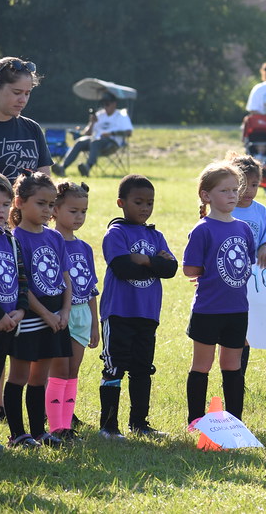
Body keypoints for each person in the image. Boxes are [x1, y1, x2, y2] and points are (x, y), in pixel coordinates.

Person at [98, 175, 177, 440]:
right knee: (114, 367)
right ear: (122, 202)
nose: (145, 208)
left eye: (150, 203)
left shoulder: (156, 235)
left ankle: (139, 424)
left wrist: (144, 260)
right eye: (139, 202)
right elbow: (121, 268)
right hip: (119, 312)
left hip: (146, 313)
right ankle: (108, 426)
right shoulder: (116, 233)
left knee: (142, 368)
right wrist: (154, 262)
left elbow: (171, 269)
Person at [183, 163, 256, 428]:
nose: (232, 195)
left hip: (237, 309)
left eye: (235, 189)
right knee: (202, 365)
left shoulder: (244, 229)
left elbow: (246, 263)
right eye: (224, 190)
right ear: (206, 195)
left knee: (232, 365)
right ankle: (195, 420)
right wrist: (209, 272)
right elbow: (189, 268)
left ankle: (236, 422)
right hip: (208, 309)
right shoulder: (203, 229)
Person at [6, 173, 71, 447]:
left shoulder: (55, 237)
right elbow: (23, 286)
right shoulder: (13, 239)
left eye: (51, 204)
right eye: (41, 203)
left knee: (39, 378)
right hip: (32, 316)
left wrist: (64, 312)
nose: (48, 210)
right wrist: (46, 314)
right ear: (20, 203)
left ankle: (38, 432)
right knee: (20, 376)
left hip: (56, 316)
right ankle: (18, 435)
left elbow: (65, 278)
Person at [45, 182, 98, 442]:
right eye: (73, 211)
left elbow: (91, 289)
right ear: (55, 209)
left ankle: (67, 422)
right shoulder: (50, 242)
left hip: (82, 316)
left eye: (84, 212)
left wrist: (95, 325)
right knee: (58, 372)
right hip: (59, 315)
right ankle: (55, 426)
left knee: (73, 372)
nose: (79, 217)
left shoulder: (85, 248)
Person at [0, 172, 27, 454]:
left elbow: (21, 277)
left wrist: (20, 309)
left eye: (4, 205)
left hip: (9, 323)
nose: (1, 211)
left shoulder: (9, 239)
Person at [0, 58, 51, 181]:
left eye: (27, 93)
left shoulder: (32, 128)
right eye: (17, 92)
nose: (23, 100)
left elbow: (46, 185)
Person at [52, 93, 132, 178]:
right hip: (95, 141)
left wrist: (111, 133)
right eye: (103, 104)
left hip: (112, 143)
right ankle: (62, 167)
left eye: (107, 104)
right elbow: (87, 133)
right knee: (80, 142)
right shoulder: (100, 114)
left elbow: (128, 132)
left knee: (95, 142)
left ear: (114, 104)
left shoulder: (122, 115)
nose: (105, 106)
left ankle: (87, 167)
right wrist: (92, 122)